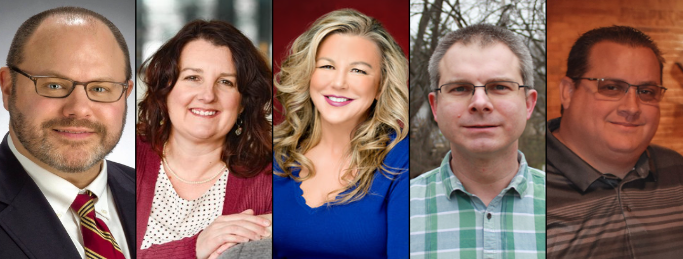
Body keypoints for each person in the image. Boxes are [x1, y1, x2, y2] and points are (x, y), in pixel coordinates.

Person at [273, 9, 409, 258]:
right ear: (308, 75)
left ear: (380, 86)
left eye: (358, 70)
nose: (339, 83)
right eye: (327, 66)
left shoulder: (400, 159)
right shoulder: (276, 152)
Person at [0, 7, 134, 259]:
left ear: (126, 94)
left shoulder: (148, 190)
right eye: (54, 85)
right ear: (8, 88)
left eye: (100, 88)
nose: (79, 110)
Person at [135, 20, 272, 259]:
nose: (208, 95)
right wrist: (195, 247)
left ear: (242, 104)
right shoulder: (125, 157)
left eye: (226, 82)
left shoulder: (270, 180)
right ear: (166, 88)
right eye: (193, 78)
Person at [547, 25, 683, 258]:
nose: (631, 108)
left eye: (647, 91)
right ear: (568, 92)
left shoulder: (677, 171)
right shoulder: (529, 186)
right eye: (611, 87)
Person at [410, 24, 545, 258]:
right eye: (460, 88)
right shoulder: (401, 209)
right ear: (435, 106)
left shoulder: (573, 210)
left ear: (528, 103)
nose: (480, 102)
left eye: (499, 86)